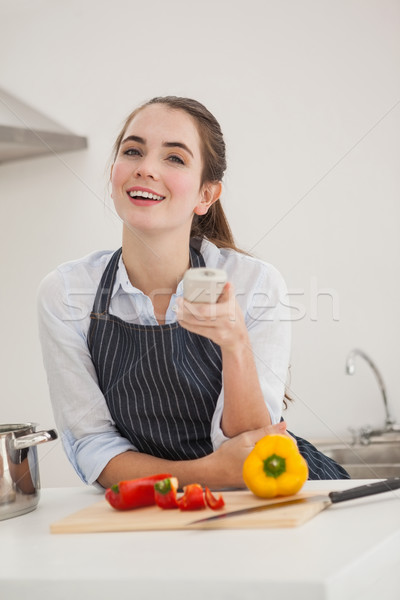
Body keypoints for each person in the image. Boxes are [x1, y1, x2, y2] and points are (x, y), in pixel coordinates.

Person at [37, 96, 349, 489]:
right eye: (133, 151)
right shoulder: (67, 294)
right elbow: (94, 448)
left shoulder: (255, 283)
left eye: (175, 158)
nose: (146, 168)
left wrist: (235, 344)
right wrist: (206, 474)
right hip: (165, 505)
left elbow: (251, 448)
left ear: (206, 196)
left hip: (272, 489)